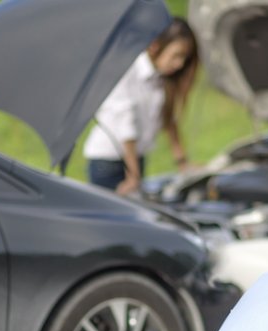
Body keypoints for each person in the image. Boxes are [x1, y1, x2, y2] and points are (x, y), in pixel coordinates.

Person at [83, 16, 198, 196]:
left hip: (135, 159)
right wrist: (134, 175)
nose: (180, 64)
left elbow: (169, 121)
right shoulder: (127, 70)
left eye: (184, 58)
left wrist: (182, 163)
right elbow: (126, 125)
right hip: (108, 163)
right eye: (176, 55)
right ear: (155, 46)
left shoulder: (160, 78)